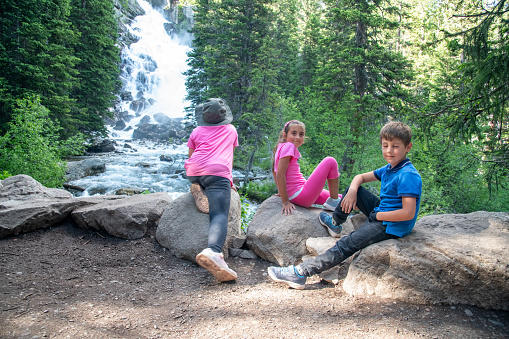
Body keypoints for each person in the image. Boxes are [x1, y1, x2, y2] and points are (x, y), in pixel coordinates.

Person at [268, 121, 422, 289]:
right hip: (383, 211)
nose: (389, 151)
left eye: (395, 146)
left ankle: (300, 273)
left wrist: (377, 216)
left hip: (391, 224)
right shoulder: (390, 168)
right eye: (385, 145)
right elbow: (360, 177)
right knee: (353, 190)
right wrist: (353, 190)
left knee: (346, 244)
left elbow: (407, 213)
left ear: (408, 147)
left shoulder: (408, 175)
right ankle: (335, 222)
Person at [184, 98, 238, 282]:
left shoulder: (197, 130)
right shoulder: (231, 130)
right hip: (216, 174)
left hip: (193, 171)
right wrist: (229, 181)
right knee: (219, 214)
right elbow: (228, 156)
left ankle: (197, 186)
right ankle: (214, 251)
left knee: (202, 178)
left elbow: (191, 154)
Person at [273, 120, 341, 216]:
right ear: (285, 135)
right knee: (330, 161)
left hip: (300, 191)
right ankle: (334, 202)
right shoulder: (289, 146)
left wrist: (281, 193)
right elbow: (280, 174)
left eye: (301, 134)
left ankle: (339, 202)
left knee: (343, 200)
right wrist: (285, 201)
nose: (297, 137)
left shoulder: (281, 147)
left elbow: (274, 171)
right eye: (294, 133)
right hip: (300, 195)